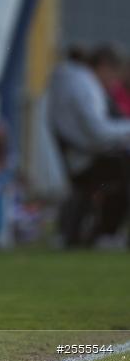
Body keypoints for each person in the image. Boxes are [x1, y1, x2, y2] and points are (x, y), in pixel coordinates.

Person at [48, 44, 130, 247]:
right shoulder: (85, 85)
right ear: (103, 67)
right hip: (87, 162)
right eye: (112, 77)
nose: (113, 84)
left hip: (79, 159)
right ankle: (106, 233)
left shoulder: (68, 81)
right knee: (122, 176)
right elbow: (98, 132)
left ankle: (100, 232)